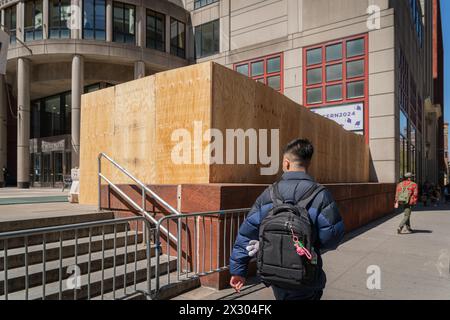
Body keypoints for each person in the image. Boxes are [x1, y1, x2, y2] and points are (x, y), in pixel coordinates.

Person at [229, 139, 345, 300]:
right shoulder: (320, 195)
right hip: (306, 275)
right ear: (308, 163)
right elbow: (332, 238)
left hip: (274, 273)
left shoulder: (269, 193)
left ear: (286, 163)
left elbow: (246, 234)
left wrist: (238, 270)